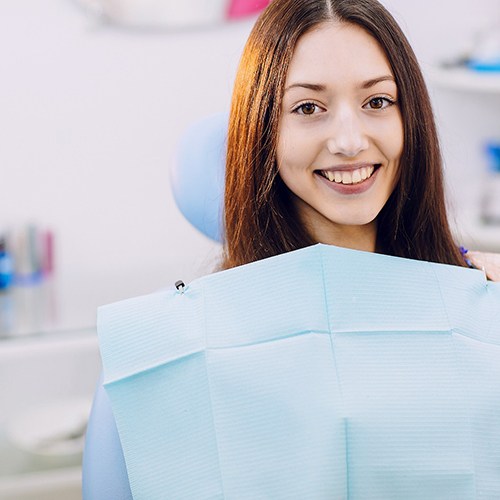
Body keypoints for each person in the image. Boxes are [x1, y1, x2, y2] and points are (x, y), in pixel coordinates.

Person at [83, 0, 500, 498]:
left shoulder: (477, 309)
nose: (349, 141)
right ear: (264, 132)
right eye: (307, 108)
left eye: (377, 102)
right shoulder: (176, 350)